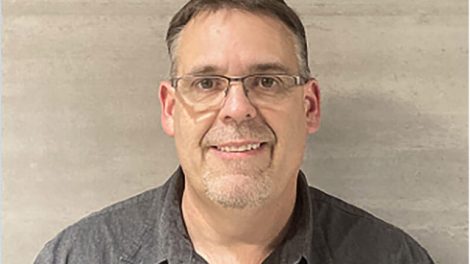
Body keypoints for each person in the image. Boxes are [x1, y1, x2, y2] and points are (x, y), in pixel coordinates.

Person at [34, 0, 435, 263]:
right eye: (206, 84)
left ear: (309, 107)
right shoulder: (79, 256)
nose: (238, 109)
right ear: (171, 109)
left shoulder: (392, 257)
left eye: (267, 81)